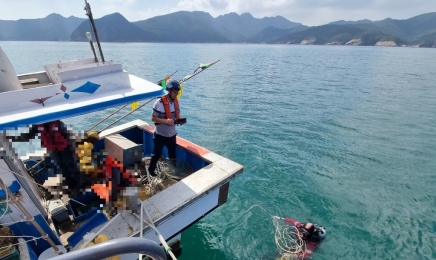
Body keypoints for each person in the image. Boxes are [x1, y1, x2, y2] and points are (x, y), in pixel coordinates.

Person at [7, 120, 83, 197]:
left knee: (72, 168)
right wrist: (13, 138)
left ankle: (79, 188)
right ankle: (72, 189)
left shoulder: (56, 122)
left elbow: (67, 135)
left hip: (65, 149)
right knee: (64, 170)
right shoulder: (38, 125)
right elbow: (27, 136)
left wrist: (74, 149)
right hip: (55, 151)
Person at [148, 79, 185, 177]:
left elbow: (175, 117)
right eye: (175, 92)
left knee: (172, 155)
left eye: (178, 92)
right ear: (169, 91)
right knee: (157, 154)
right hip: (160, 135)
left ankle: (173, 172)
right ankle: (151, 171)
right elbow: (153, 118)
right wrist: (165, 121)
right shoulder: (159, 103)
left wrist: (179, 121)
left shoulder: (176, 102)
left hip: (172, 135)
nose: (176, 94)